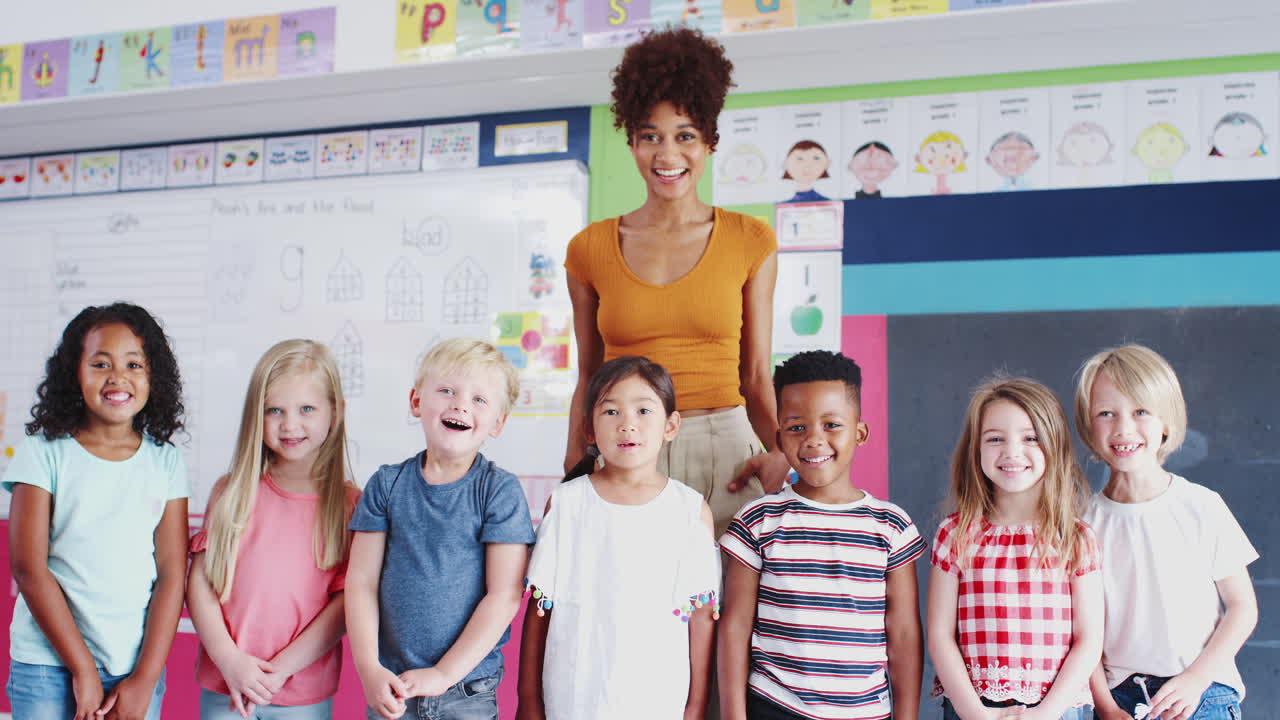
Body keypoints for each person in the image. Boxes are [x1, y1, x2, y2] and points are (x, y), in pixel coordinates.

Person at [565, 27, 787, 538]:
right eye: (651, 137)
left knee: (729, 614)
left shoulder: (750, 240)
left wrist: (781, 453)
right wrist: (575, 460)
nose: (668, 155)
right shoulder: (589, 249)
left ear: (709, 141)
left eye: (685, 135)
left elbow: (755, 374)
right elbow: (588, 374)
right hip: (629, 442)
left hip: (727, 451)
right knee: (637, 610)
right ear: (632, 141)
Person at [5, 303, 189, 720]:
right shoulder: (42, 453)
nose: (117, 377)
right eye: (100, 363)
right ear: (75, 373)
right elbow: (28, 567)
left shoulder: (166, 462)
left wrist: (145, 677)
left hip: (133, 666)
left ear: (152, 376)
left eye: (134, 364)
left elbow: (172, 574)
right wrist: (82, 668)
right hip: (47, 665)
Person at [719, 350, 925, 720]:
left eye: (831, 425)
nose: (814, 440)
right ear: (779, 439)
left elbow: (905, 633)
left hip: (864, 712)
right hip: (776, 706)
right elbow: (735, 628)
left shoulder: (891, 526)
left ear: (860, 433)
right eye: (797, 427)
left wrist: (907, 715)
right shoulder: (758, 520)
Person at [518, 356, 720, 720]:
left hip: (657, 700)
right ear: (589, 429)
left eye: (644, 410)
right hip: (574, 698)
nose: (628, 424)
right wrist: (529, 702)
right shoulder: (567, 504)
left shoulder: (689, 511)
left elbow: (701, 616)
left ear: (671, 425)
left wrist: (695, 706)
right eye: (611, 412)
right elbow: (539, 610)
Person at [346, 338, 534, 720]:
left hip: (467, 693)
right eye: (446, 390)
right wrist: (368, 668)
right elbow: (361, 581)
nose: (460, 404)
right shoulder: (386, 485)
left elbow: (504, 596)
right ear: (416, 401)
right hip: (394, 688)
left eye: (479, 400)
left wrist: (443, 674)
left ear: (498, 422)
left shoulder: (499, 491)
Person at [1076, 345, 1257, 720]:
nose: (1123, 428)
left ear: (1166, 422)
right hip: (1118, 699)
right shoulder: (1082, 522)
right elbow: (1081, 629)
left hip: (1202, 692)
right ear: (1089, 427)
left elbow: (1242, 608)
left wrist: (1196, 679)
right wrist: (1106, 706)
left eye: (1140, 411)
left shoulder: (1201, 506)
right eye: (1106, 414)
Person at [187, 340, 360, 719]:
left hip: (301, 694)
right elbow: (200, 584)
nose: (290, 424)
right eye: (274, 411)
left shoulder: (351, 507)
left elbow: (345, 606)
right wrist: (230, 660)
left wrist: (279, 670)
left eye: (307, 409)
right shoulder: (230, 492)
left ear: (336, 412)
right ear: (256, 416)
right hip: (227, 686)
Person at [927, 377, 1102, 720]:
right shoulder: (956, 533)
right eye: (995, 439)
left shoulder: (1075, 537)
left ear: (1054, 446)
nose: (1011, 452)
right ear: (975, 449)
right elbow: (939, 633)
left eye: (1030, 438)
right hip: (973, 706)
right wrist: (974, 713)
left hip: (1056, 708)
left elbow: (1089, 639)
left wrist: (1046, 713)